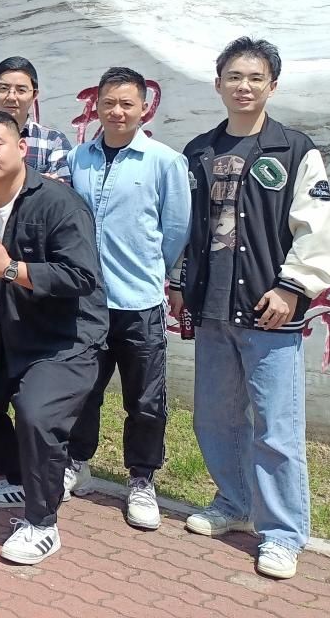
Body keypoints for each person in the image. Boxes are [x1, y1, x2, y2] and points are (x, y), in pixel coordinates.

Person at [170, 37, 330, 581]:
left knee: (275, 427)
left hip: (270, 310)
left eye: (255, 77)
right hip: (213, 309)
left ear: (272, 86)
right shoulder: (199, 150)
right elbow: (185, 227)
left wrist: (292, 288)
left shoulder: (295, 150)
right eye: (234, 77)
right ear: (218, 84)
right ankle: (234, 502)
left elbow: (318, 230)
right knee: (215, 417)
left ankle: (283, 532)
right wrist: (179, 282)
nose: (244, 86)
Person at [0, 110, 107, 565]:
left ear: (21, 147)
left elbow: (82, 276)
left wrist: (12, 270)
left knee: (37, 417)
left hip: (63, 340)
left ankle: (42, 524)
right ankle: (28, 479)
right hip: (5, 335)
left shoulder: (59, 203)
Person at [64, 67, 191, 529]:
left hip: (139, 302)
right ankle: (77, 463)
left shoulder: (164, 161)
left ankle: (141, 478)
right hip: (86, 302)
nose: (116, 111)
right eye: (109, 103)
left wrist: (160, 275)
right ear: (96, 106)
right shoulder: (79, 157)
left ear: (143, 108)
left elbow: (176, 230)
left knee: (145, 399)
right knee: (83, 391)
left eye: (126, 103)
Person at [0, 57, 72, 182]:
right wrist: (40, 184)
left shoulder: (53, 140)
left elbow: (63, 188)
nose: (11, 97)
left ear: (34, 95)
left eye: (21, 90)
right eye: (3, 88)